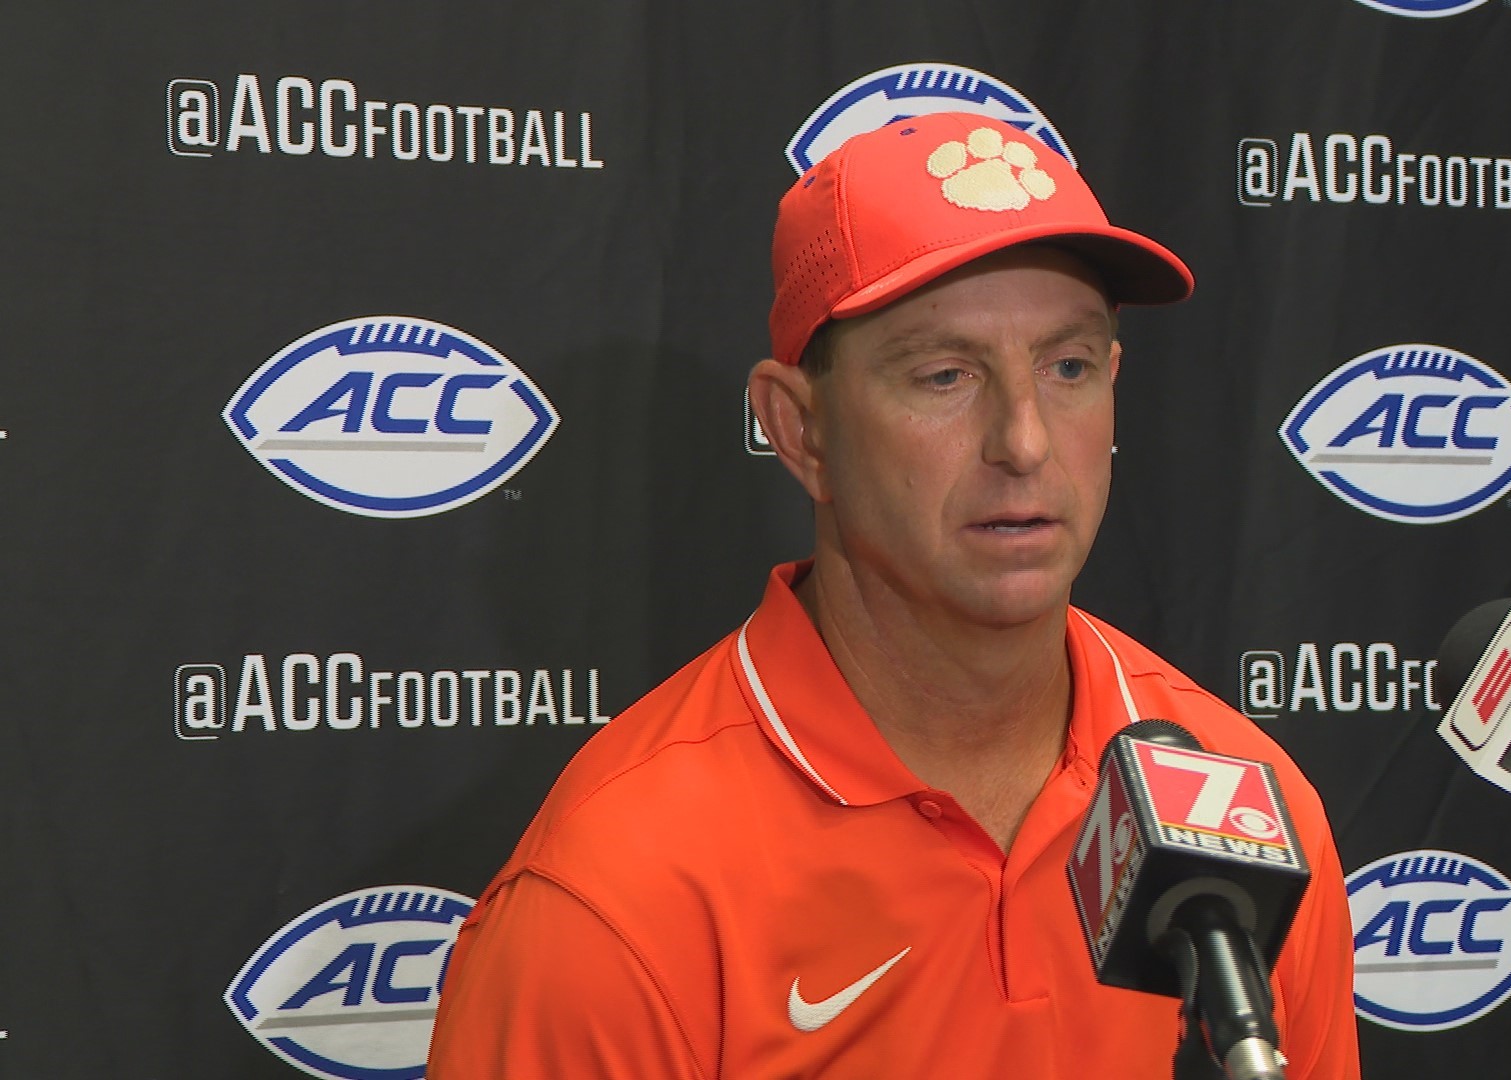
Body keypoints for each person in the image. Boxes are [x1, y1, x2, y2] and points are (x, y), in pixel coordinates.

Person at [427, 111, 1360, 1079]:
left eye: (1069, 367)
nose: (1026, 442)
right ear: (800, 432)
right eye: (946, 374)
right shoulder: (616, 897)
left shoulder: (1252, 819)